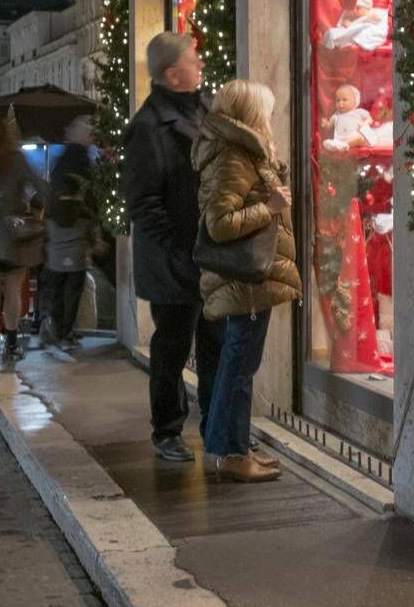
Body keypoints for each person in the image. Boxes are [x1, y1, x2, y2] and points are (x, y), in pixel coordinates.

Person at [192, 79, 301, 482]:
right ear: (250, 113)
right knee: (238, 366)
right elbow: (219, 224)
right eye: (266, 110)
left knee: (240, 365)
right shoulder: (234, 157)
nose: (270, 117)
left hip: (249, 282)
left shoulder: (242, 152)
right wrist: (269, 207)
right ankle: (230, 453)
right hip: (245, 280)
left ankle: (234, 446)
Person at [124, 32, 222, 463]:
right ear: (171, 73)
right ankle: (167, 431)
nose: (200, 64)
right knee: (172, 349)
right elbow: (144, 203)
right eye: (192, 59)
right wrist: (179, 250)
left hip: (211, 254)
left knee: (216, 343)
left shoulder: (207, 110)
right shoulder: (147, 127)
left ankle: (218, 428)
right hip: (174, 261)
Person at [0, 115, 45, 367]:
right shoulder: (16, 159)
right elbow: (40, 187)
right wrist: (35, 209)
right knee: (13, 290)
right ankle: (10, 346)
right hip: (13, 235)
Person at [41, 115, 98, 347]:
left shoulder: (61, 161)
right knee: (73, 289)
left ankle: (58, 329)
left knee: (57, 287)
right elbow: (91, 199)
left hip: (57, 237)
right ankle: (66, 332)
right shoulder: (83, 160)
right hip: (76, 237)